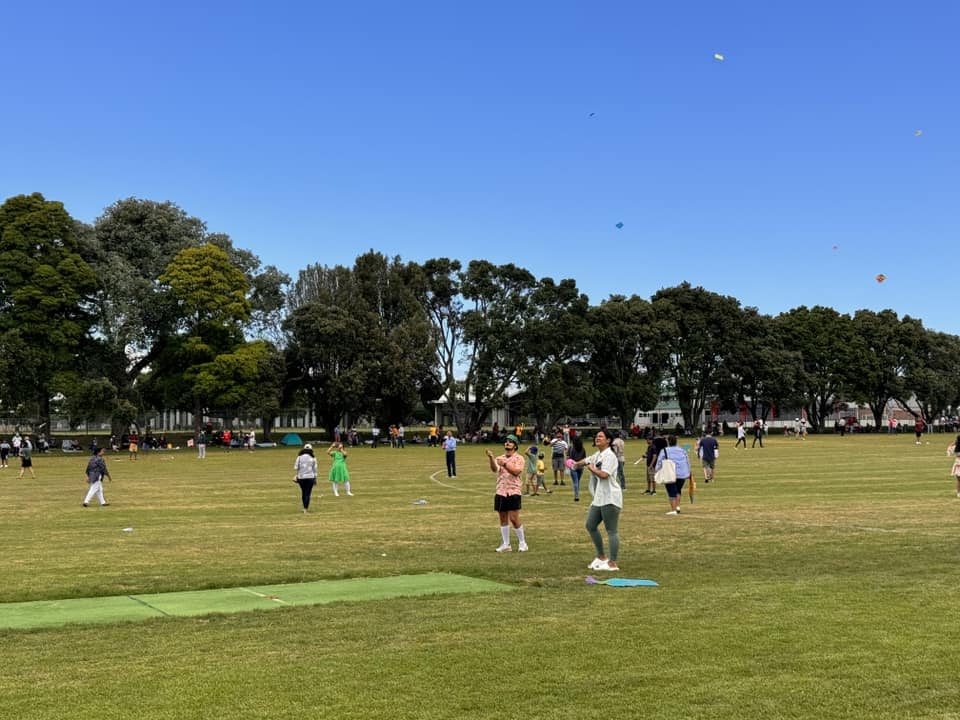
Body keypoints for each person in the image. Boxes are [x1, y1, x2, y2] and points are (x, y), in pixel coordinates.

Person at [574, 429, 622, 571]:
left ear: (608, 440)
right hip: (599, 498)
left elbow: (604, 475)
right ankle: (601, 556)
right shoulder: (598, 454)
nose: (597, 438)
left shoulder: (610, 456)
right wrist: (576, 464)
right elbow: (587, 460)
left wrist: (592, 469)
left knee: (611, 530)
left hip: (611, 497)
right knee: (590, 525)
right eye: (596, 436)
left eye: (601, 436)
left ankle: (612, 563)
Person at [486, 434, 527, 552]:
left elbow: (516, 472)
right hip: (501, 491)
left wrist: (504, 464)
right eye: (506, 441)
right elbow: (495, 469)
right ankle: (506, 544)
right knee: (503, 518)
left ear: (515, 446)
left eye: (510, 442)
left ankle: (523, 543)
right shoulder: (500, 458)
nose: (507, 443)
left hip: (514, 490)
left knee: (514, 518)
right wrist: (491, 458)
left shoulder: (519, 458)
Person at [656, 435, 692, 515]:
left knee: (671, 492)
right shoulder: (682, 450)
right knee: (678, 490)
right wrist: (689, 472)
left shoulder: (664, 450)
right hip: (682, 473)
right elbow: (688, 461)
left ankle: (673, 509)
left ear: (668, 442)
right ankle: (677, 506)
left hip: (670, 473)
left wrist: (657, 470)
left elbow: (659, 462)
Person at [294, 443, 319, 513]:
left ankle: (304, 507)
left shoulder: (299, 457)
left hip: (301, 477)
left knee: (303, 492)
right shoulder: (313, 458)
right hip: (310, 477)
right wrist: (315, 478)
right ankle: (305, 508)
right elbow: (315, 469)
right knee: (308, 493)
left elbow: (296, 467)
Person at [568, 434, 587, 502]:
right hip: (581, 466)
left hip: (574, 466)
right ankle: (577, 494)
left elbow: (570, 458)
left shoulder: (572, 449)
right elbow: (585, 457)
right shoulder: (583, 449)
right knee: (578, 481)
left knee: (575, 482)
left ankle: (576, 496)